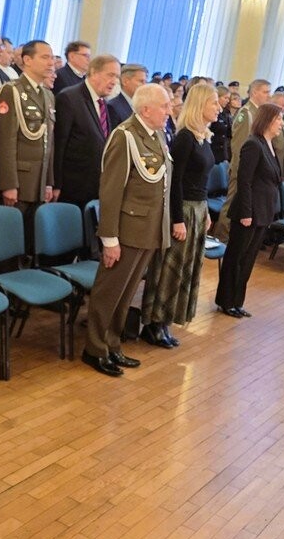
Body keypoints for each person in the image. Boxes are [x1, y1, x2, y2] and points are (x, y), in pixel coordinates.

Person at [81, 84, 172, 376]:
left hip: (148, 229)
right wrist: (110, 239)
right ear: (146, 109)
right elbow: (110, 192)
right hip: (126, 230)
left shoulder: (155, 135)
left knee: (126, 293)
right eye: (164, 106)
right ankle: (94, 349)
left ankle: (112, 344)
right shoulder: (125, 136)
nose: (169, 111)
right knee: (109, 292)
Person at [141, 82, 217, 347]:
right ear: (200, 105)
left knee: (187, 269)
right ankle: (154, 323)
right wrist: (177, 219)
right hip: (182, 209)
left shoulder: (204, 136)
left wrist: (205, 209)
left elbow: (202, 180)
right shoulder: (184, 137)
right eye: (213, 103)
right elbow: (175, 181)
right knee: (170, 270)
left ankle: (168, 320)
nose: (218, 108)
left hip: (197, 209)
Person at [215, 102, 282, 317]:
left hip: (262, 212)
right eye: (279, 119)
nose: (281, 123)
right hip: (249, 212)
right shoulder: (253, 144)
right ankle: (226, 301)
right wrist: (245, 213)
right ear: (268, 120)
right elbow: (244, 181)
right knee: (236, 257)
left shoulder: (269, 144)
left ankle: (237, 301)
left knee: (248, 259)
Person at [0, 39, 55, 251]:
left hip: (37, 182)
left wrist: (48, 181)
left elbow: (49, 143)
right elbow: (5, 141)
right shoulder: (12, 91)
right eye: (45, 57)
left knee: (27, 244)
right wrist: (9, 184)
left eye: (52, 57)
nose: (51, 62)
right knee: (6, 243)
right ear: (27, 60)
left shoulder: (47, 94)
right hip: (19, 180)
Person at [53, 54, 125, 213]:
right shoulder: (69, 98)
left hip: (94, 188)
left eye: (117, 77)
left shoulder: (103, 103)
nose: (114, 81)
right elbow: (59, 144)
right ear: (93, 72)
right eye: (110, 75)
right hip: (71, 189)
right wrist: (56, 184)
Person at [213, 78, 271, 238]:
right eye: (265, 92)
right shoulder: (246, 114)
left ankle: (231, 236)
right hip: (241, 169)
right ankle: (222, 236)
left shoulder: (258, 113)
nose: (268, 95)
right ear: (254, 92)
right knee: (232, 202)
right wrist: (242, 171)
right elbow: (239, 146)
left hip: (251, 170)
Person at [209, 85, 232, 164]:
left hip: (222, 153)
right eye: (225, 98)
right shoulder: (212, 113)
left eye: (228, 98)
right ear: (218, 97)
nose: (227, 101)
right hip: (212, 150)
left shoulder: (225, 113)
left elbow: (227, 135)